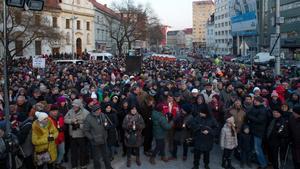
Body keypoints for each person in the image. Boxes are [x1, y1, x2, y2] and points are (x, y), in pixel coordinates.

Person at [187, 104, 218, 169]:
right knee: (196, 154)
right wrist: (200, 128)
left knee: (206, 154)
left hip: (208, 140)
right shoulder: (198, 117)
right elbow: (192, 124)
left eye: (201, 112)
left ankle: (206, 164)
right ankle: (196, 165)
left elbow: (216, 128)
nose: (200, 113)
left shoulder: (212, 119)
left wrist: (209, 131)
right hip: (198, 139)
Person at [83, 105, 113, 169]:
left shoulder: (102, 115)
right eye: (98, 110)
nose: (100, 111)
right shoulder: (89, 118)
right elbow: (85, 131)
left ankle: (109, 167)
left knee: (106, 155)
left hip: (103, 139)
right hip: (95, 141)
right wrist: (92, 138)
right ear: (94, 111)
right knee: (96, 157)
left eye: (100, 109)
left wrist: (106, 125)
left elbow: (106, 123)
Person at [64, 99, 89, 169]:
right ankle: (74, 165)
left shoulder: (86, 112)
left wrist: (79, 125)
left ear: (80, 106)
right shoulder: (70, 111)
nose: (74, 107)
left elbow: (88, 124)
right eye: (73, 106)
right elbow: (65, 119)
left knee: (82, 151)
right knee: (73, 151)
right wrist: (71, 121)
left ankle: (83, 164)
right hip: (72, 135)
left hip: (81, 135)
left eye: (76, 106)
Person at [247, 96, 269, 169]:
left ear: (260, 102)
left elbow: (259, 120)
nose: (255, 101)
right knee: (254, 147)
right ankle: (256, 160)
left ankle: (263, 165)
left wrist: (249, 116)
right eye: (255, 100)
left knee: (258, 149)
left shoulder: (263, 109)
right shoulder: (255, 107)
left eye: (257, 101)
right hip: (254, 130)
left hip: (259, 132)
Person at [48, 105, 66, 169]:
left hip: (61, 137)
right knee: (53, 153)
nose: (55, 112)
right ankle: (54, 165)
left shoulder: (60, 117)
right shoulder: (48, 118)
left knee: (62, 152)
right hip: (53, 139)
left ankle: (57, 163)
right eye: (53, 111)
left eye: (56, 110)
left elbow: (63, 125)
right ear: (50, 111)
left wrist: (63, 128)